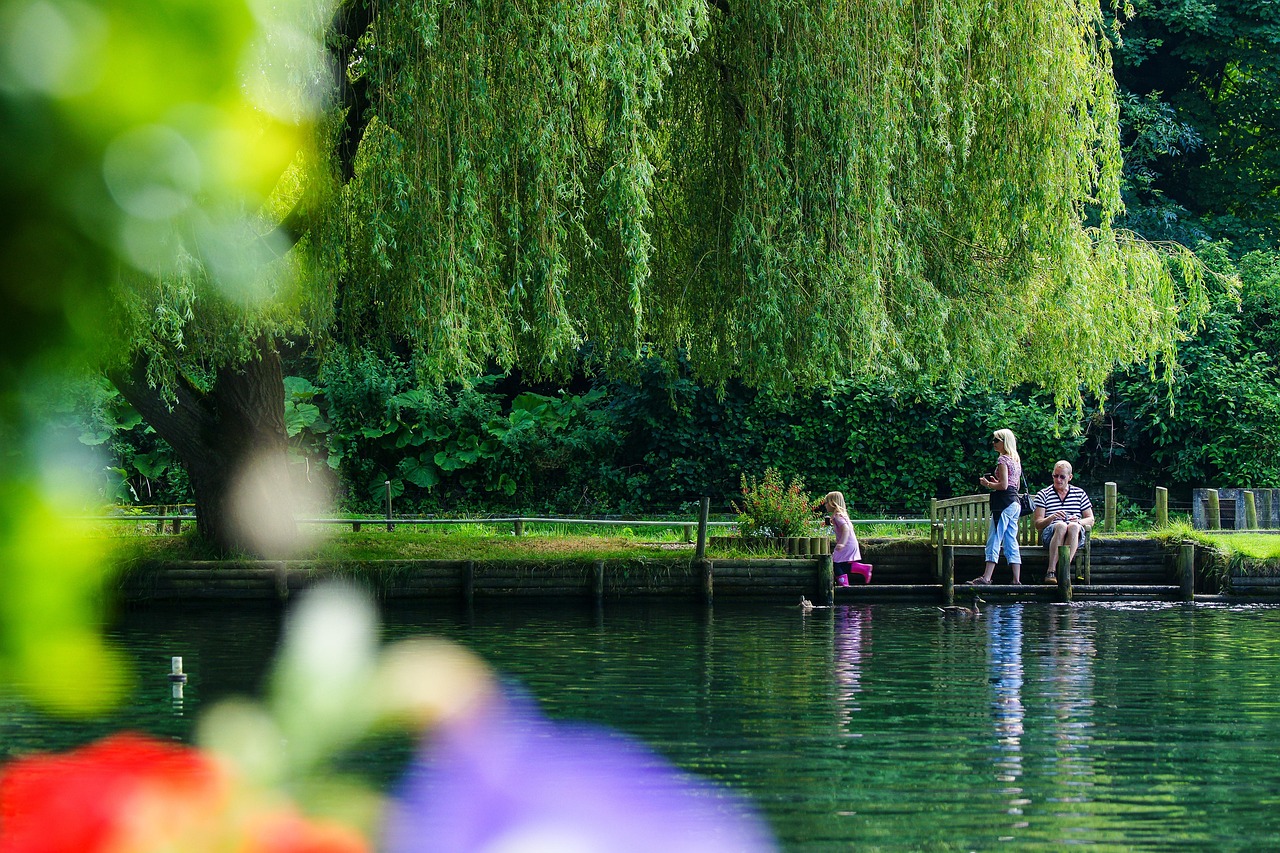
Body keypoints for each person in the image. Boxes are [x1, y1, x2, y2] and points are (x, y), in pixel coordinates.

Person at [970, 429, 1022, 585]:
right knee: (1011, 540)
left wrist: (988, 484)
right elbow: (1015, 486)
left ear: (1004, 442)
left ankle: (986, 577)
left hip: (1003, 504)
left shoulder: (1003, 460)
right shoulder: (1016, 459)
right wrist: (996, 482)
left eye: (996, 440)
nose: (993, 443)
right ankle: (1016, 580)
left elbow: (1004, 485)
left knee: (994, 537)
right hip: (1014, 503)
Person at [1033, 460, 1094, 583]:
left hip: (1075, 534)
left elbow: (1091, 519)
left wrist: (1079, 521)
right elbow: (1038, 524)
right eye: (1055, 476)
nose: (1058, 480)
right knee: (1061, 525)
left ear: (1070, 477)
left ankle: (1063, 569)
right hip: (1051, 535)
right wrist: (1051, 517)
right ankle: (1051, 571)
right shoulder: (1043, 494)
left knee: (1073, 526)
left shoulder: (1079, 493)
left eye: (1062, 477)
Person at [820, 491, 869, 586]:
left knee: (835, 564)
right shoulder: (841, 514)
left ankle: (844, 585)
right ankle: (863, 569)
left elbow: (846, 529)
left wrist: (842, 543)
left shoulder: (838, 516)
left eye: (826, 503)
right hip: (851, 543)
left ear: (832, 503)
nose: (825, 505)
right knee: (842, 565)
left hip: (845, 544)